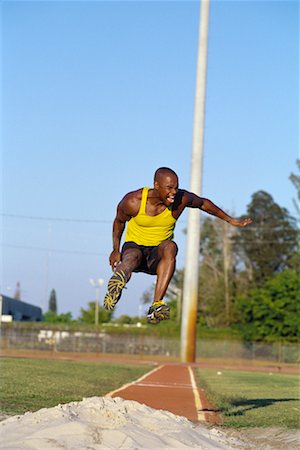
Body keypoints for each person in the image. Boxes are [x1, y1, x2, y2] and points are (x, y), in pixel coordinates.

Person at [103, 167, 252, 324]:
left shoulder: (181, 199)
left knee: (171, 247)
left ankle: (156, 305)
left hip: (157, 256)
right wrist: (115, 249)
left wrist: (231, 220)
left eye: (176, 187)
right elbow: (119, 222)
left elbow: (203, 203)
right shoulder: (133, 201)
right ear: (156, 185)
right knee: (132, 256)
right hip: (135, 248)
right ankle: (117, 284)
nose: (174, 192)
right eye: (169, 188)